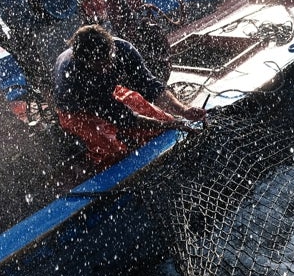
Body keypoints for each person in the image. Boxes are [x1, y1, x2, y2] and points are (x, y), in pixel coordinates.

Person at [52, 24, 206, 168]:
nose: (106, 68)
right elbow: (122, 117)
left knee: (167, 119)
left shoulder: (123, 48)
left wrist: (183, 110)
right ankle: (89, 159)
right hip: (75, 111)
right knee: (114, 152)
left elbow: (151, 86)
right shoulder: (73, 74)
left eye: (108, 61)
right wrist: (164, 125)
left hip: (109, 94)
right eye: (99, 65)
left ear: (112, 47)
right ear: (84, 62)